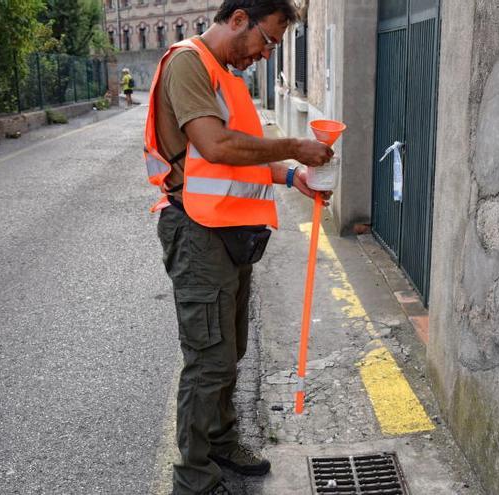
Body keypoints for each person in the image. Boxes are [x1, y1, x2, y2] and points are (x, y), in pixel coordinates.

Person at [142, 1, 333, 493]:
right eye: (268, 41)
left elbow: (236, 163)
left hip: (227, 231)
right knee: (209, 358)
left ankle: (222, 442)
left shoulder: (226, 76)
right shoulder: (188, 62)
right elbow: (216, 146)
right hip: (196, 231)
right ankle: (194, 478)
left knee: (231, 350)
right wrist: (292, 146)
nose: (266, 55)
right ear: (240, 18)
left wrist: (293, 176)